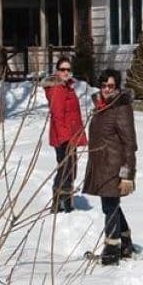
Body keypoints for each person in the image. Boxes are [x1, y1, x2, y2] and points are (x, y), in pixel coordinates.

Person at [82, 68, 137, 266]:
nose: (107, 89)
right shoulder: (101, 106)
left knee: (110, 206)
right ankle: (126, 242)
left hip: (115, 167)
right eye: (104, 85)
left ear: (117, 87)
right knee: (111, 205)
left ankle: (112, 250)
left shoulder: (121, 108)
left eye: (111, 86)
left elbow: (129, 144)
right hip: (101, 165)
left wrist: (127, 175)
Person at [40, 56, 87, 213]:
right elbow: (58, 116)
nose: (66, 72)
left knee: (69, 168)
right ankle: (60, 202)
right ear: (57, 71)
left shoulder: (67, 87)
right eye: (63, 69)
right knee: (66, 168)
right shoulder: (57, 89)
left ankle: (64, 200)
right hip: (63, 136)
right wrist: (64, 138)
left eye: (68, 69)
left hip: (70, 134)